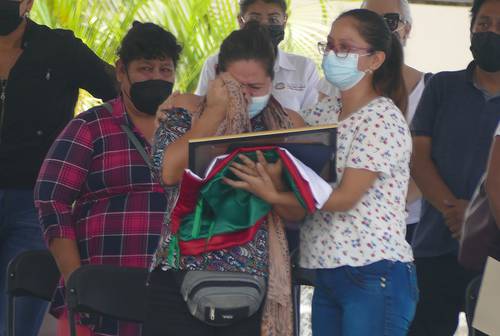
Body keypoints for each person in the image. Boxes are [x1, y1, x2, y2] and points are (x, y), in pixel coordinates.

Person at [232, 8, 418, 335]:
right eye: (330, 46)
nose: (333, 55)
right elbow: (279, 116)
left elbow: (345, 197)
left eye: (345, 48)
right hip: (326, 270)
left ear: (375, 60)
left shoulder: (381, 118)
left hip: (374, 272)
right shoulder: (323, 112)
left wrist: (273, 194)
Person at [144, 23, 305, 336]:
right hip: (177, 277)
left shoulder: (285, 128)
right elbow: (168, 172)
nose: (244, 96)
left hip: (253, 285)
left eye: (255, 87)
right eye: (235, 85)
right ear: (217, 75)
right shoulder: (182, 114)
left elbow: (298, 211)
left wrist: (270, 192)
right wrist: (214, 113)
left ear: (272, 81)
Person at [34, 22, 181, 336]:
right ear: (120, 71)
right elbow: (51, 199)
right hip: (100, 298)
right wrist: (75, 280)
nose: (156, 78)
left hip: (174, 296)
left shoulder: (189, 129)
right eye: (145, 68)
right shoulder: (89, 127)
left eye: (165, 70)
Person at [0, 0, 117, 335]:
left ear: (28, 3)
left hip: (36, 205)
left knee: (17, 321)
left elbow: (123, 94)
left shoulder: (61, 48)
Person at [408, 0, 500, 334]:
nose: (491, 32)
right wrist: (457, 212)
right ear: (472, 29)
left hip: (495, 256)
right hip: (436, 244)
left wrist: (477, 217)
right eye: (484, 24)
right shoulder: (442, 87)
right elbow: (418, 158)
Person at [195, 0, 319, 112]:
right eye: (254, 19)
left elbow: (310, 124)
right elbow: (202, 111)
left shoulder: (304, 68)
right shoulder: (214, 64)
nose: (264, 25)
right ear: (241, 21)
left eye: (273, 20)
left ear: (284, 21)